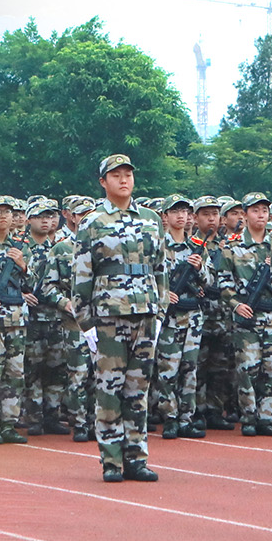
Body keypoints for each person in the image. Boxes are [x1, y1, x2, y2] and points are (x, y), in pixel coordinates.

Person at [74, 155, 167, 482]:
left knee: (138, 391)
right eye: (116, 175)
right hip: (108, 317)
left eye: (128, 174)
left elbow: (160, 269)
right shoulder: (92, 221)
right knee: (109, 390)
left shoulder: (151, 219)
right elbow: (82, 274)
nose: (124, 180)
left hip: (145, 314)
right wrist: (85, 322)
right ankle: (112, 461)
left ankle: (136, 459)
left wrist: (160, 312)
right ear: (103, 182)